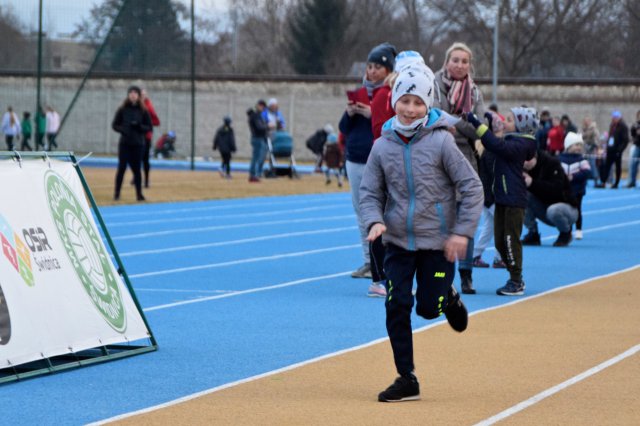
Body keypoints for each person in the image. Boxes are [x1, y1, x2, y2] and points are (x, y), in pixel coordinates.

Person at [359, 65, 482, 402]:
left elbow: (472, 188)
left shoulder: (442, 142)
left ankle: (449, 297)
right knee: (396, 304)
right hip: (397, 241)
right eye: (405, 101)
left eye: (417, 102)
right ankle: (406, 377)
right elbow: (369, 193)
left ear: (428, 105)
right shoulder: (382, 147)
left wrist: (462, 233)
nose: (410, 109)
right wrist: (374, 222)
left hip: (437, 245)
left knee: (428, 308)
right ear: (395, 101)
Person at [339, 41, 395, 290]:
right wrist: (350, 114)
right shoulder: (361, 91)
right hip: (355, 158)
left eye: (377, 67)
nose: (372, 71)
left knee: (381, 213)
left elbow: (389, 123)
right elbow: (343, 128)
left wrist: (371, 113)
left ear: (388, 70)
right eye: (369, 66)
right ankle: (368, 261)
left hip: (378, 158)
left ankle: (385, 264)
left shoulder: (392, 92)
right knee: (361, 213)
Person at [467, 107, 538, 296]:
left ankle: (516, 280)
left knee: (510, 240)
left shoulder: (520, 144)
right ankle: (514, 275)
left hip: (513, 199)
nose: (504, 122)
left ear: (521, 125)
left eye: (509, 120)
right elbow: (494, 142)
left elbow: (494, 145)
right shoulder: (513, 140)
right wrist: (490, 118)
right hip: (502, 198)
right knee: (499, 242)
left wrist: (475, 122)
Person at [433, 41, 485, 295]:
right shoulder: (433, 84)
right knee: (443, 217)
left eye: (465, 61)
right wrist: (458, 122)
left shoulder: (475, 92)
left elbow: (479, 128)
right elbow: (432, 116)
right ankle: (442, 274)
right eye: (455, 60)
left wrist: (455, 123)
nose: (460, 65)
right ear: (446, 61)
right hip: (438, 155)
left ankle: (466, 274)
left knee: (467, 217)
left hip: (466, 157)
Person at [521, 150, 579, 247]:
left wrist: (532, 183)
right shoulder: (523, 167)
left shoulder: (552, 164)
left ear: (535, 157)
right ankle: (533, 233)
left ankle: (565, 233)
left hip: (566, 208)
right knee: (521, 196)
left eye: (527, 160)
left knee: (553, 210)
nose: (524, 163)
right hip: (545, 207)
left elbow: (556, 191)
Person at [471, 111, 506, 270]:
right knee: (501, 225)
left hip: (486, 193)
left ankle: (475, 255)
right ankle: (499, 258)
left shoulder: (487, 147)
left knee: (490, 226)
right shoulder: (492, 149)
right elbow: (492, 175)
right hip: (490, 195)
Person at [111, 85, 152, 202]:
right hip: (125, 144)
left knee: (137, 170)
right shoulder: (122, 109)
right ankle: (117, 193)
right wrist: (122, 129)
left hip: (138, 144)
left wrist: (139, 127)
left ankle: (139, 194)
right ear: (128, 95)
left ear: (138, 96)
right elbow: (114, 125)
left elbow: (149, 127)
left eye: (135, 93)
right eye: (131, 93)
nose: (133, 95)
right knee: (121, 168)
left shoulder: (143, 111)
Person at [559, 132, 591, 240]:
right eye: (576, 145)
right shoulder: (560, 159)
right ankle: (568, 229)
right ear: (568, 146)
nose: (578, 148)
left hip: (578, 190)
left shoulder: (581, 160)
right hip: (565, 190)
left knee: (577, 209)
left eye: (580, 145)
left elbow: (587, 172)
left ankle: (578, 229)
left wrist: (574, 177)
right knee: (566, 210)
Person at [596, 110, 629, 189]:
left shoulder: (623, 126)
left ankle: (616, 183)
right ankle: (603, 182)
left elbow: (626, 140)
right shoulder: (612, 125)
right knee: (606, 166)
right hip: (610, 149)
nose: (614, 119)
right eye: (613, 117)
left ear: (619, 117)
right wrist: (607, 147)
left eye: (616, 117)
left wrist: (620, 150)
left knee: (618, 167)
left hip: (617, 150)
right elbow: (610, 137)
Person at [140, 89, 160, 188]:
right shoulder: (135, 106)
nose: (143, 96)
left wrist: (147, 125)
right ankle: (136, 178)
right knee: (135, 159)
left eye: (144, 94)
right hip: (136, 137)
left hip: (146, 137)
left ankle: (147, 180)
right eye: (141, 94)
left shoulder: (149, 106)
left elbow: (156, 121)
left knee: (145, 159)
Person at [247, 99, 268, 183]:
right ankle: (253, 175)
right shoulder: (255, 116)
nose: (263, 109)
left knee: (258, 157)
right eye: (262, 107)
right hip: (257, 138)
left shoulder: (256, 115)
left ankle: (255, 174)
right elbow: (259, 127)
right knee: (256, 158)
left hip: (258, 138)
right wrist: (267, 126)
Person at [581, 116, 601, 181]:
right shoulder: (584, 129)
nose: (586, 122)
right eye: (585, 121)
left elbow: (596, 139)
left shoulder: (593, 129)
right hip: (585, 150)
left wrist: (592, 146)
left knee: (593, 165)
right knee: (584, 165)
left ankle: (596, 179)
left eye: (587, 121)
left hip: (592, 149)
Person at [626, 110, 640, 188]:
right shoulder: (635, 125)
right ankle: (632, 181)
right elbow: (632, 134)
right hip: (637, 146)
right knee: (633, 165)